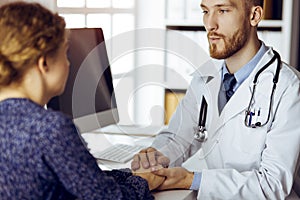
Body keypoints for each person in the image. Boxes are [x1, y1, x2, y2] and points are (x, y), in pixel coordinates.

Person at [131, 0, 300, 199]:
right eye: (205, 11)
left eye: (222, 10)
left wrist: (190, 179)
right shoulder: (205, 78)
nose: (210, 24)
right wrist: (155, 159)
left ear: (254, 16)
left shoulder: (288, 87)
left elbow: (272, 184)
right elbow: (177, 138)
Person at [0, 2, 164, 199]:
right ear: (44, 63)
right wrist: (144, 182)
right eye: (65, 53)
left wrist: (129, 176)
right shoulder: (50, 128)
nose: (69, 63)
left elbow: (86, 180)